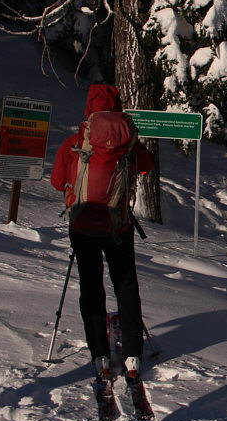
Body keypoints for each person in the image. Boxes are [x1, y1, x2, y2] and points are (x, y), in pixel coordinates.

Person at [50, 84, 154, 384]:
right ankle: (134, 354)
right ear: (118, 107)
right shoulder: (128, 144)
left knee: (91, 287)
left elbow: (58, 182)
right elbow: (146, 165)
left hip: (82, 228)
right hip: (118, 227)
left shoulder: (74, 144)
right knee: (126, 285)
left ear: (89, 109)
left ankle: (100, 355)